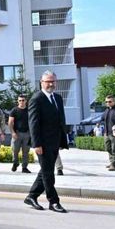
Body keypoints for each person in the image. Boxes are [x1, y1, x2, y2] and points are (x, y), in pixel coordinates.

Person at [24, 70, 69, 213]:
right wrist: (36, 144)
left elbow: (60, 120)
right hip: (42, 143)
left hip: (55, 141)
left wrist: (62, 139)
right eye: (47, 81)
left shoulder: (58, 98)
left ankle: (32, 196)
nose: (50, 84)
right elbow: (33, 124)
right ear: (41, 83)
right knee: (48, 173)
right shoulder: (36, 99)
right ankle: (53, 201)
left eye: (53, 81)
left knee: (45, 170)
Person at [9, 95, 32, 173]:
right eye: (20, 100)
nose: (21, 102)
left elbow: (33, 121)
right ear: (17, 101)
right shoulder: (14, 110)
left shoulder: (29, 110)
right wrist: (12, 132)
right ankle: (15, 163)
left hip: (27, 134)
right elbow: (10, 122)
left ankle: (24, 167)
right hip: (17, 133)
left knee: (26, 152)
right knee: (15, 150)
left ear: (26, 101)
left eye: (23, 100)